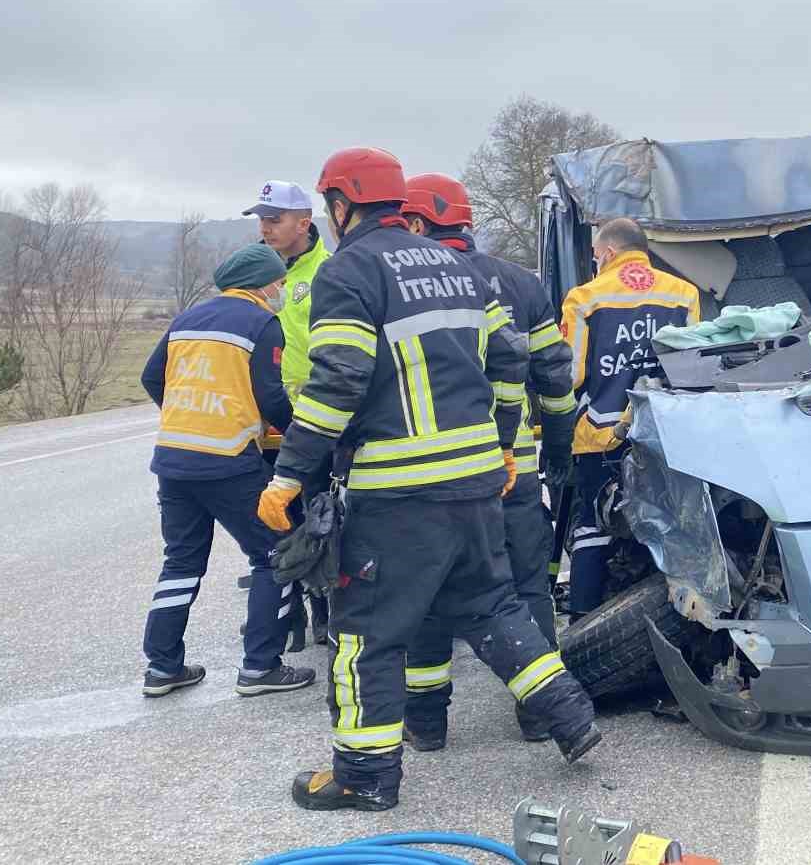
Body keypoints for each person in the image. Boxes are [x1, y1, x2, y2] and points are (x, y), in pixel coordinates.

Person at [258, 147, 600, 813]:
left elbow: (337, 381)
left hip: (398, 491)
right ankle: (570, 716)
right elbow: (511, 360)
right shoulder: (460, 268)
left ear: (340, 205)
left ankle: (364, 776)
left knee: (366, 631)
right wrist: (501, 443)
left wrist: (289, 474)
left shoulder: (348, 271)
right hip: (477, 481)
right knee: (493, 606)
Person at [399, 172, 577, 746]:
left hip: (434, 474)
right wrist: (558, 448)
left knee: (428, 593)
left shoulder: (401, 285)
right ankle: (541, 716)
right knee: (528, 588)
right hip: (513, 467)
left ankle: (427, 723)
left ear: (417, 223)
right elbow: (554, 375)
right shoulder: (521, 282)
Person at [138, 244, 317, 699]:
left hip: (174, 457)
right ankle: (261, 667)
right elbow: (271, 396)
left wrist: (187, 416)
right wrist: (302, 436)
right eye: (279, 283)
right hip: (228, 459)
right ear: (264, 285)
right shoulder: (261, 322)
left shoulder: (186, 319)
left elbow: (151, 377)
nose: (280, 291)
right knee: (275, 554)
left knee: (181, 561)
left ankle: (162, 667)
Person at [559, 218, 701, 618]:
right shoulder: (683, 294)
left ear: (608, 252)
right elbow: (693, 368)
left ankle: (583, 617)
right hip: (664, 434)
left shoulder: (584, 298)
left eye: (596, 256)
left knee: (593, 526)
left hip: (601, 435)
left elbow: (570, 375)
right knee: (670, 522)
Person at [243, 179, 332, 646]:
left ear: (304, 222)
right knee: (275, 521)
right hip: (270, 423)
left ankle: (325, 610)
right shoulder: (258, 273)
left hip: (313, 421)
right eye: (262, 219)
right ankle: (286, 613)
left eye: (274, 219)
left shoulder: (328, 272)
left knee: (319, 518)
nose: (266, 228)